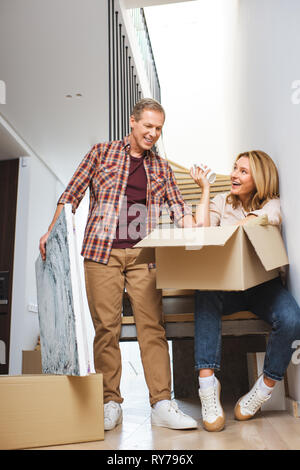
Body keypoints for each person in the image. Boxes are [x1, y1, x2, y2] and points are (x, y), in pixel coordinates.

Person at [39, 98, 198, 432]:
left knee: (152, 328)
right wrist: (51, 233)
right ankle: (110, 401)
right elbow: (71, 195)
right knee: (106, 329)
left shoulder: (161, 167)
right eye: (148, 126)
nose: (153, 133)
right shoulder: (101, 153)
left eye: (158, 129)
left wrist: (197, 233)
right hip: (102, 253)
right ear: (132, 121)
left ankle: (161, 403)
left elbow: (179, 207)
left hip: (144, 256)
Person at [190, 150, 300, 432]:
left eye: (243, 171)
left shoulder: (272, 203)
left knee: (292, 319)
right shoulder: (220, 201)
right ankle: (207, 386)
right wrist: (205, 190)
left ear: (259, 179)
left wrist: (236, 227)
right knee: (204, 291)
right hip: (226, 286)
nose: (234, 176)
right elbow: (201, 230)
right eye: (234, 169)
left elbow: (269, 217)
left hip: (263, 286)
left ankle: (263, 388)